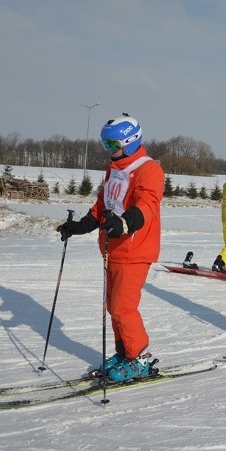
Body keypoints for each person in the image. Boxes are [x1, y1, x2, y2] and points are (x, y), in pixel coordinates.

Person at [56, 114, 164, 382]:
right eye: (105, 145)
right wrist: (81, 225)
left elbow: (148, 204)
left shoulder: (149, 169)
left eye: (113, 145)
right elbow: (104, 204)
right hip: (112, 248)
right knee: (112, 306)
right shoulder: (114, 168)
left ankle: (138, 357)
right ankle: (124, 352)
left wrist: (126, 223)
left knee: (122, 307)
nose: (109, 150)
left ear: (130, 142)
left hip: (135, 248)